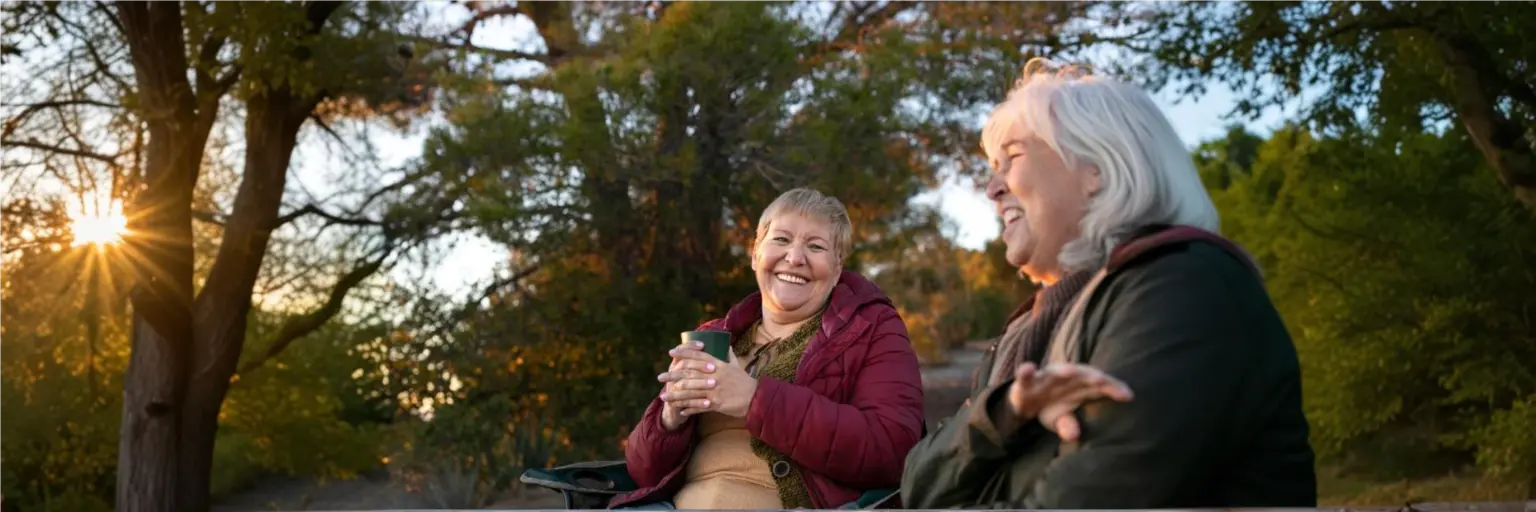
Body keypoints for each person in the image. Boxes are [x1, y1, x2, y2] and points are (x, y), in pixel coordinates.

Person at [900, 58, 1317, 509]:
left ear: (1096, 166)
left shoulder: (1182, 290)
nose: (992, 188)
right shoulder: (1024, 333)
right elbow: (917, 484)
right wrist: (1005, 412)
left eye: (1013, 158)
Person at [610, 187, 925, 510]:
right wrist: (669, 419)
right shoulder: (716, 336)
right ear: (754, 254)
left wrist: (753, 400)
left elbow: (893, 450)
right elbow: (643, 472)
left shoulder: (871, 328)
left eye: (815, 246)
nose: (795, 257)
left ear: (837, 268)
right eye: (781, 240)